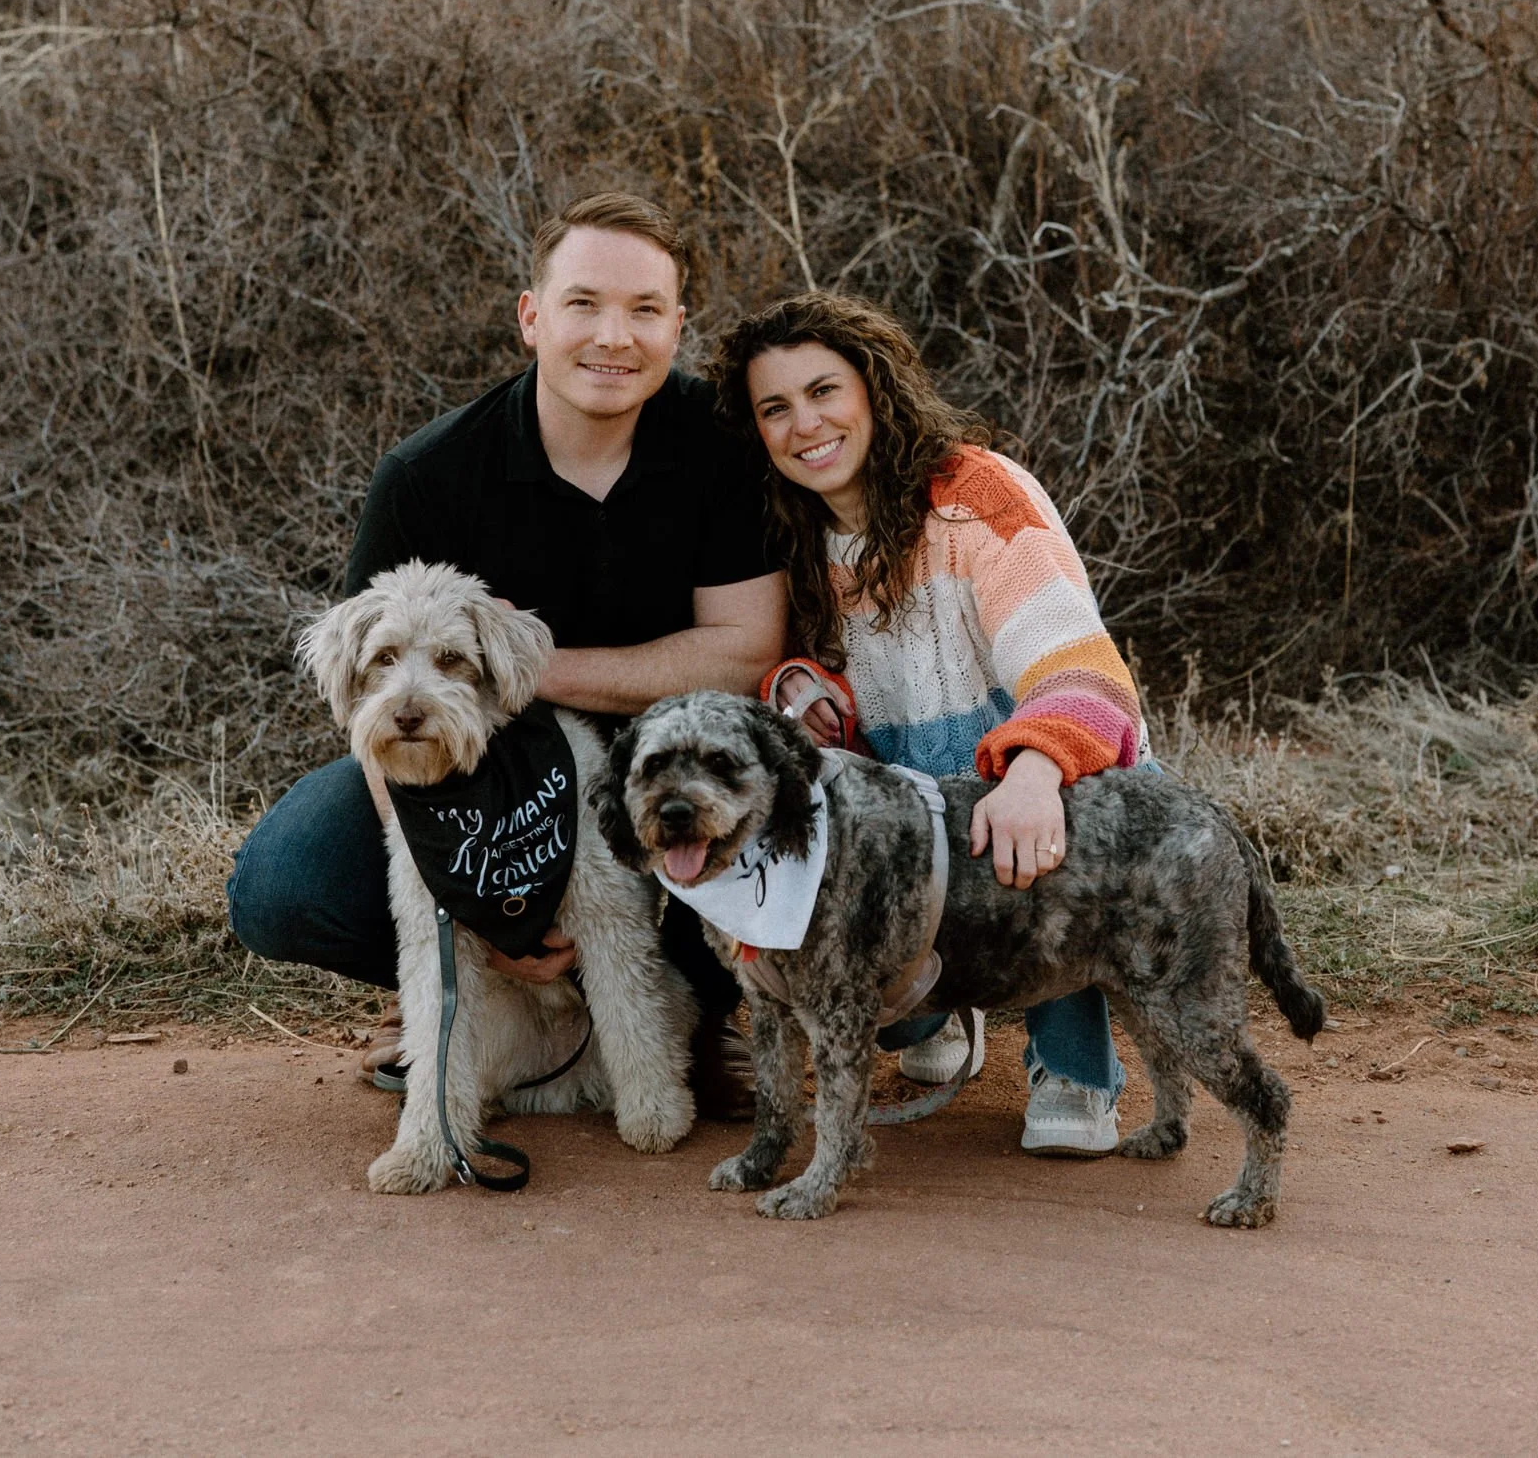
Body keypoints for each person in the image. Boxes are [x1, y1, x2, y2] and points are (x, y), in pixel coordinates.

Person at [227, 192, 787, 1118]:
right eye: (582, 304)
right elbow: (381, 701)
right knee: (284, 886)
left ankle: (713, 1009)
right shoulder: (429, 474)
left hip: (682, 759)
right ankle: (466, 1000)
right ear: (531, 317)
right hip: (491, 776)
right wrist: (471, 905)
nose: (614, 336)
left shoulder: (720, 446)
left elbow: (744, 653)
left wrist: (527, 670)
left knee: (777, 805)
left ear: (677, 327)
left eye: (645, 309)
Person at [711, 290, 1148, 1155]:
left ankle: (1073, 1068)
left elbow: (1080, 666)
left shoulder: (975, 495)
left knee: (1043, 828)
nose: (805, 424)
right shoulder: (788, 537)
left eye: (823, 390)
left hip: (1028, 775)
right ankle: (930, 1019)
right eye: (775, 407)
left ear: (873, 387)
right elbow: (814, 688)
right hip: (910, 806)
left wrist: (1032, 770)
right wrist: (801, 692)